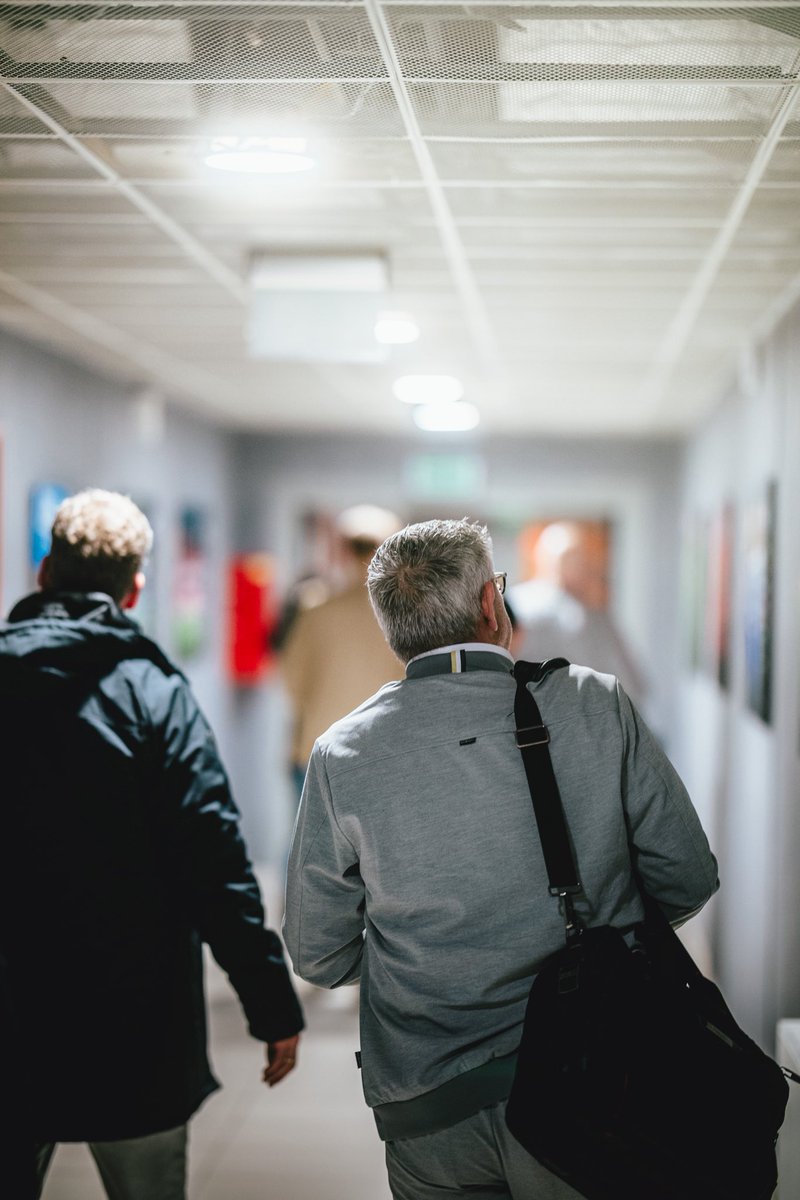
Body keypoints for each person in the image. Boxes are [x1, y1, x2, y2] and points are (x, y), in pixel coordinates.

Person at [283, 517, 719, 1200]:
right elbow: (688, 876)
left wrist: (423, 958)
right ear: (492, 603)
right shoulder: (593, 704)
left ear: (390, 625)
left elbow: (317, 953)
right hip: (593, 1080)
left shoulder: (343, 753)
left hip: (426, 1103)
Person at [0, 489, 304, 1200]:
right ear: (134, 589)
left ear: (45, 572)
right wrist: (270, 1001)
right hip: (132, 1018)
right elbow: (214, 860)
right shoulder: (155, 695)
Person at [280, 503, 403, 798]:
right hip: (381, 748)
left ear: (343, 548)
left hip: (318, 747)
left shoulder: (314, 606)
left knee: (309, 841)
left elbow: (292, 680)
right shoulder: (402, 611)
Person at [509, 521, 647, 707]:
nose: (581, 566)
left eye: (581, 559)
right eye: (570, 558)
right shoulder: (521, 605)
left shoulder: (595, 614)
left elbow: (629, 681)